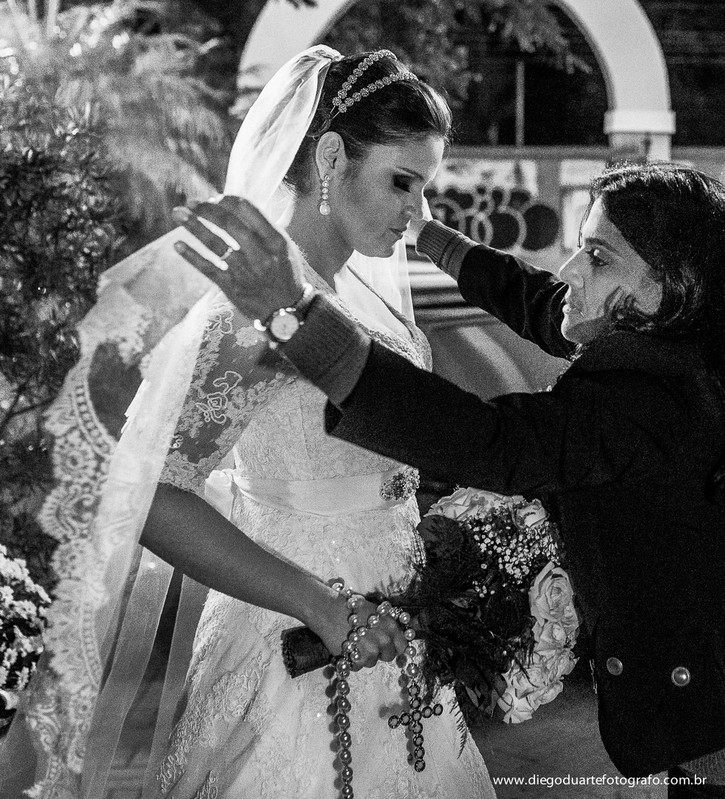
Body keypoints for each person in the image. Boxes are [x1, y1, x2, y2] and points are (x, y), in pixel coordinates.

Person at [174, 162, 725, 797]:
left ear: (670, 288)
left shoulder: (651, 397)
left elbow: (489, 441)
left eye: (597, 255)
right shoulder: (693, 338)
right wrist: (433, 238)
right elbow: (543, 302)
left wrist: (299, 315)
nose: (569, 268)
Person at [0, 47, 494, 799]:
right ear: (331, 157)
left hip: (399, 632)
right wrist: (321, 606)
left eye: (425, 188)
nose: (416, 213)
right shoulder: (254, 308)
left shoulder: (363, 294)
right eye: (403, 182)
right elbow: (153, 493)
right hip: (297, 644)